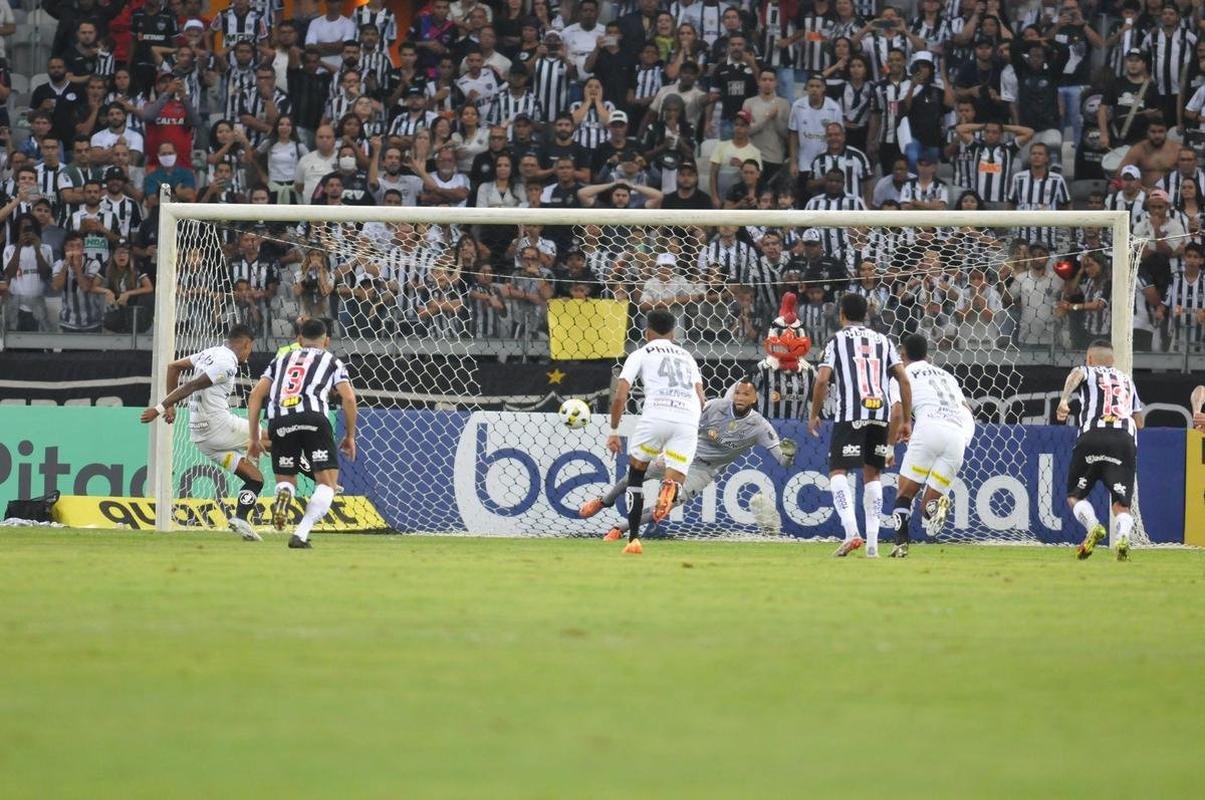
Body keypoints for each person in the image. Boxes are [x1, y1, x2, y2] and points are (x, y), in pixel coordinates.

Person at [581, 379, 796, 539]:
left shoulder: (760, 426)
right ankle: (604, 501)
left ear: (754, 399)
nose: (740, 397)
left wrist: (788, 454)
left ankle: (620, 529)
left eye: (746, 394)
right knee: (635, 474)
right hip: (683, 455)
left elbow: (783, 461)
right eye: (738, 393)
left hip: (703, 470)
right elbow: (687, 424)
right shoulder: (715, 407)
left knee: (666, 506)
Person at [139, 325, 265, 542]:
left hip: (203, 439)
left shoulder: (209, 353)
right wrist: (160, 408)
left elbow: (174, 367)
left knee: (255, 478)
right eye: (250, 348)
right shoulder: (227, 364)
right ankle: (322, 484)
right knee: (276, 439)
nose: (249, 354)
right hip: (218, 427)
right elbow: (193, 385)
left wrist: (172, 407)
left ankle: (240, 519)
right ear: (246, 344)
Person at [809, 293, 912, 558]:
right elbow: (904, 380)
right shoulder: (884, 341)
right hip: (880, 414)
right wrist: (906, 419)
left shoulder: (836, 340)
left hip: (850, 413)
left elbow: (822, 380)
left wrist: (814, 413)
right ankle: (873, 546)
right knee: (873, 475)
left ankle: (851, 531)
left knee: (838, 471)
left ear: (841, 313)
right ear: (866, 314)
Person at [247, 318, 358, 549]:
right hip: (313, 418)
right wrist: (350, 436)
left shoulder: (281, 359)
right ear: (326, 341)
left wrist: (254, 438)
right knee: (327, 483)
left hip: (280, 421)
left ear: (299, 339)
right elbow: (348, 398)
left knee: (286, 479)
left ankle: (284, 494)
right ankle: (300, 533)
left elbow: (256, 395)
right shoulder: (331, 360)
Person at [606, 308, 705, 555]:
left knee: (636, 476)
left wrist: (614, 430)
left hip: (656, 417)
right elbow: (701, 398)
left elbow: (620, 395)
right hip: (687, 419)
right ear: (673, 333)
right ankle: (671, 488)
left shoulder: (640, 353)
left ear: (647, 332)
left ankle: (634, 540)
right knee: (675, 477)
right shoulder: (687, 357)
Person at [885, 333, 976, 557]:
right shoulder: (947, 376)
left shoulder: (901, 374)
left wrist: (889, 447)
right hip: (957, 436)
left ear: (902, 354)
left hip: (928, 429)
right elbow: (967, 410)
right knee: (928, 510)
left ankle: (900, 544)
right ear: (927, 355)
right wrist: (964, 439)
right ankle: (938, 507)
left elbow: (896, 412)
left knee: (904, 494)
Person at [1055, 340, 1144, 561]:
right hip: (1124, 440)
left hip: (1093, 436)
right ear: (1113, 360)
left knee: (1074, 496)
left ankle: (1093, 526)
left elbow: (1076, 374)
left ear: (1089, 359)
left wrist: (1064, 400)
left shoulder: (1087, 370)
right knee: (1121, 504)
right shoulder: (1127, 380)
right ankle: (1123, 537)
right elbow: (1140, 421)